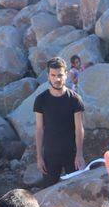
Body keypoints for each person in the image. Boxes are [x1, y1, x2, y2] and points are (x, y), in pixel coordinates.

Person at [34, 56, 85, 188]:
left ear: (66, 75)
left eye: (60, 75)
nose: (57, 79)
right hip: (50, 155)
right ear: (48, 76)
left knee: (77, 189)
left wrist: (79, 154)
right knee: (48, 191)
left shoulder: (75, 99)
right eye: (53, 75)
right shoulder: (41, 100)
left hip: (71, 154)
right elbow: (39, 129)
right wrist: (39, 157)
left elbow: (79, 129)